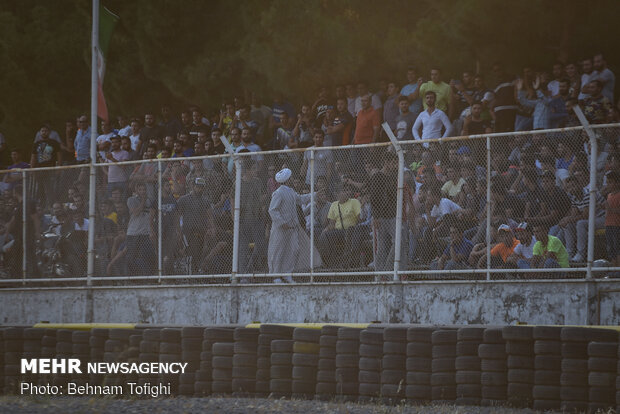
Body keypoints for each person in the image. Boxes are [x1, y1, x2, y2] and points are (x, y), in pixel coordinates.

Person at [267, 168, 321, 281]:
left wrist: (314, 195)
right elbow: (272, 210)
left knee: (292, 249)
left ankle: (287, 273)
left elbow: (300, 199)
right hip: (281, 228)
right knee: (279, 251)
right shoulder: (278, 193)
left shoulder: (290, 191)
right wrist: (282, 223)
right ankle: (276, 275)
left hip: (292, 227)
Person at [319, 185, 363, 268]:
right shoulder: (334, 205)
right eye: (343, 191)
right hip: (338, 231)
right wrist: (326, 229)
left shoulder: (354, 202)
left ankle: (348, 262)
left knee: (350, 232)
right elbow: (332, 223)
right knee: (325, 235)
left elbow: (359, 219)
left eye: (346, 191)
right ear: (337, 194)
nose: (346, 193)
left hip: (351, 230)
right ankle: (331, 263)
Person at [126, 182, 156, 275]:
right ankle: (132, 277)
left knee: (147, 255)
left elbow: (152, 214)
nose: (143, 191)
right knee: (132, 257)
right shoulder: (131, 200)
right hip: (133, 233)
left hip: (145, 233)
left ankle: (147, 276)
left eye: (144, 190)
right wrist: (143, 201)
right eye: (140, 190)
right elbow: (136, 212)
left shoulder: (149, 201)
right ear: (137, 190)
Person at [605, 171, 620, 267]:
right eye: (608, 182)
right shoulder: (609, 195)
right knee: (610, 248)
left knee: (617, 247)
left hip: (617, 225)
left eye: (611, 182)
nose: (608, 184)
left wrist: (609, 208)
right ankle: (614, 268)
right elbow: (607, 211)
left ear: (617, 182)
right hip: (608, 224)